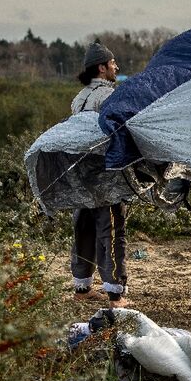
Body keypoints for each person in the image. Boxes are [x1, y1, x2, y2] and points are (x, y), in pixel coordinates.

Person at [69, 42, 129, 307]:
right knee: (112, 229)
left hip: (80, 175)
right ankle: (116, 295)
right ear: (102, 67)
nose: (117, 67)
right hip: (105, 175)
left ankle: (82, 288)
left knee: (84, 228)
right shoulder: (108, 96)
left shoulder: (79, 98)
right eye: (113, 63)